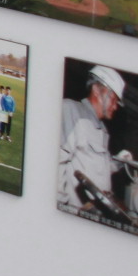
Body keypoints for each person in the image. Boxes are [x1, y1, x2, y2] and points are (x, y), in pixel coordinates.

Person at [58, 63, 125, 217]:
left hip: (97, 214)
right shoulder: (73, 111)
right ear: (96, 90)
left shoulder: (102, 130)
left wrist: (120, 162)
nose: (115, 107)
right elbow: (56, 161)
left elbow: (101, 168)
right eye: (113, 99)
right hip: (75, 213)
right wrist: (60, 207)